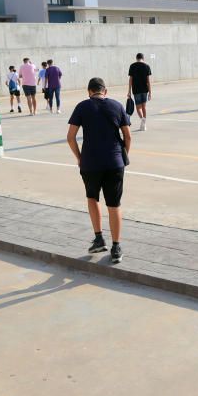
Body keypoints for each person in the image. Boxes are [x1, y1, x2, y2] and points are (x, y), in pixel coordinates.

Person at [66, 77, 131, 264]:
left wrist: (79, 158)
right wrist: (122, 155)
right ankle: (116, 247)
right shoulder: (117, 106)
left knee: (92, 198)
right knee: (114, 205)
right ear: (105, 91)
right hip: (114, 163)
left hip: (90, 163)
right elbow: (127, 136)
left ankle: (99, 238)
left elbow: (70, 137)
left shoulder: (82, 107)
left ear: (89, 92)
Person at [127, 53, 153, 131]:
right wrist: (150, 93)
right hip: (145, 90)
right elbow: (148, 81)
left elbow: (130, 80)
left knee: (138, 108)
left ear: (136, 58)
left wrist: (129, 91)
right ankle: (144, 124)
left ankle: (142, 120)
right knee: (144, 107)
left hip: (136, 90)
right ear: (143, 58)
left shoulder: (132, 66)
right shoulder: (147, 66)